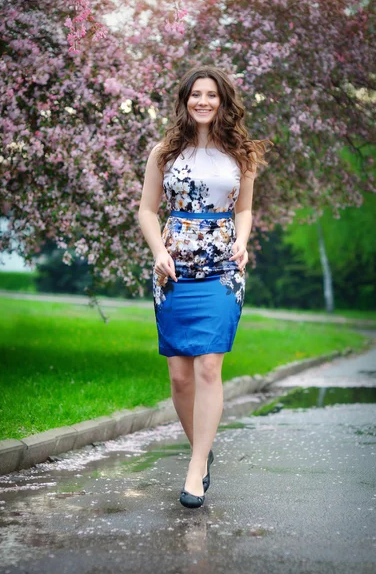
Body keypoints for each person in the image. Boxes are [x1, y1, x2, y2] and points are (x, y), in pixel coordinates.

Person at [137, 65, 273, 508]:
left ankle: (195, 471)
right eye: (196, 94)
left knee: (208, 368)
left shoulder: (241, 155)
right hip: (173, 271)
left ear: (222, 101)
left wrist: (242, 243)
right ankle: (203, 448)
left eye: (211, 95)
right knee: (180, 377)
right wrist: (159, 251)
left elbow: (245, 210)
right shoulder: (164, 152)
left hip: (221, 270)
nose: (203, 101)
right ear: (185, 100)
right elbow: (147, 210)